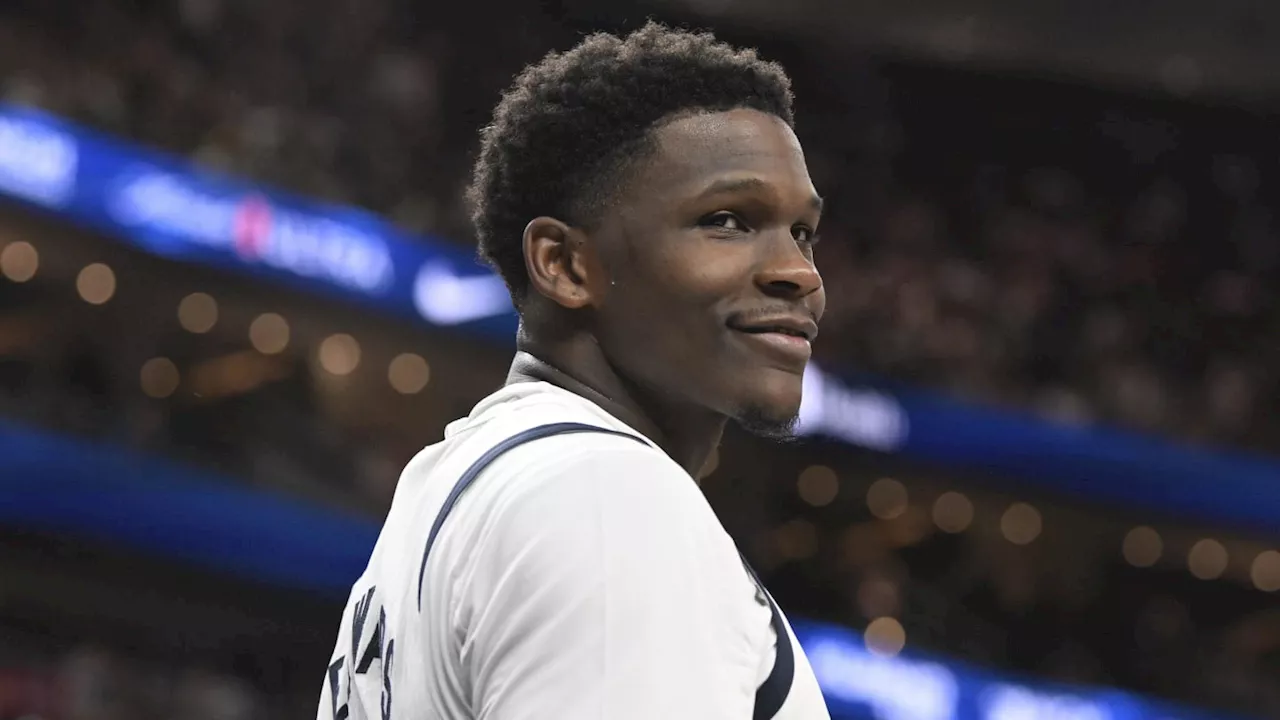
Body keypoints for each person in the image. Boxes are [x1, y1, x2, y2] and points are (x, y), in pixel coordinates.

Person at [319, 21, 830, 720]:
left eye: (803, 233)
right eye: (728, 220)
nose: (798, 272)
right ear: (562, 264)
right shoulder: (609, 498)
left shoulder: (447, 491)